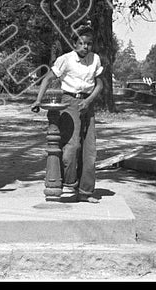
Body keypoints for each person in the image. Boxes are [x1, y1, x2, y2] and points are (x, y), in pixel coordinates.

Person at [31, 24, 104, 203]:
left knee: (89, 150)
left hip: (88, 103)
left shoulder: (95, 59)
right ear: (74, 43)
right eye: (81, 43)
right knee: (71, 148)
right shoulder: (66, 59)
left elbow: (100, 84)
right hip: (69, 102)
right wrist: (38, 100)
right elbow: (48, 78)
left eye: (88, 43)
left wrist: (88, 101)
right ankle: (67, 182)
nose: (85, 47)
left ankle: (85, 192)